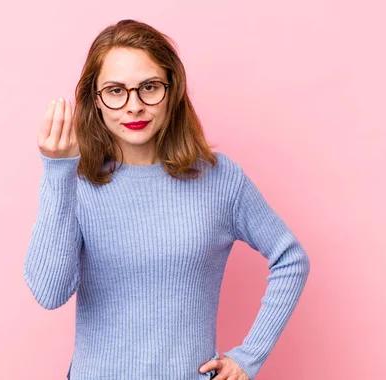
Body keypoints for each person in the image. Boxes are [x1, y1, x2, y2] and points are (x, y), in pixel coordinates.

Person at [24, 19, 311, 380]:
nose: (134, 106)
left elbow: (291, 259)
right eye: (115, 90)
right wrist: (57, 171)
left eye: (149, 87)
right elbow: (49, 293)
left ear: (172, 90)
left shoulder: (220, 178)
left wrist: (248, 357)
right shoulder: (73, 182)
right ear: (95, 100)